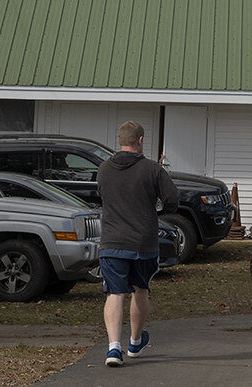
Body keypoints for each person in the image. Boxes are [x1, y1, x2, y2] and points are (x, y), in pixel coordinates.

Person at [96, 120, 184, 367]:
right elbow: (172, 199)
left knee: (114, 292)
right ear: (141, 140)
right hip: (143, 242)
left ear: (120, 141)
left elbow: (102, 195)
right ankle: (135, 342)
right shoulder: (152, 170)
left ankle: (114, 348)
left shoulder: (103, 169)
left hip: (112, 241)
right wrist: (159, 210)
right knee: (140, 289)